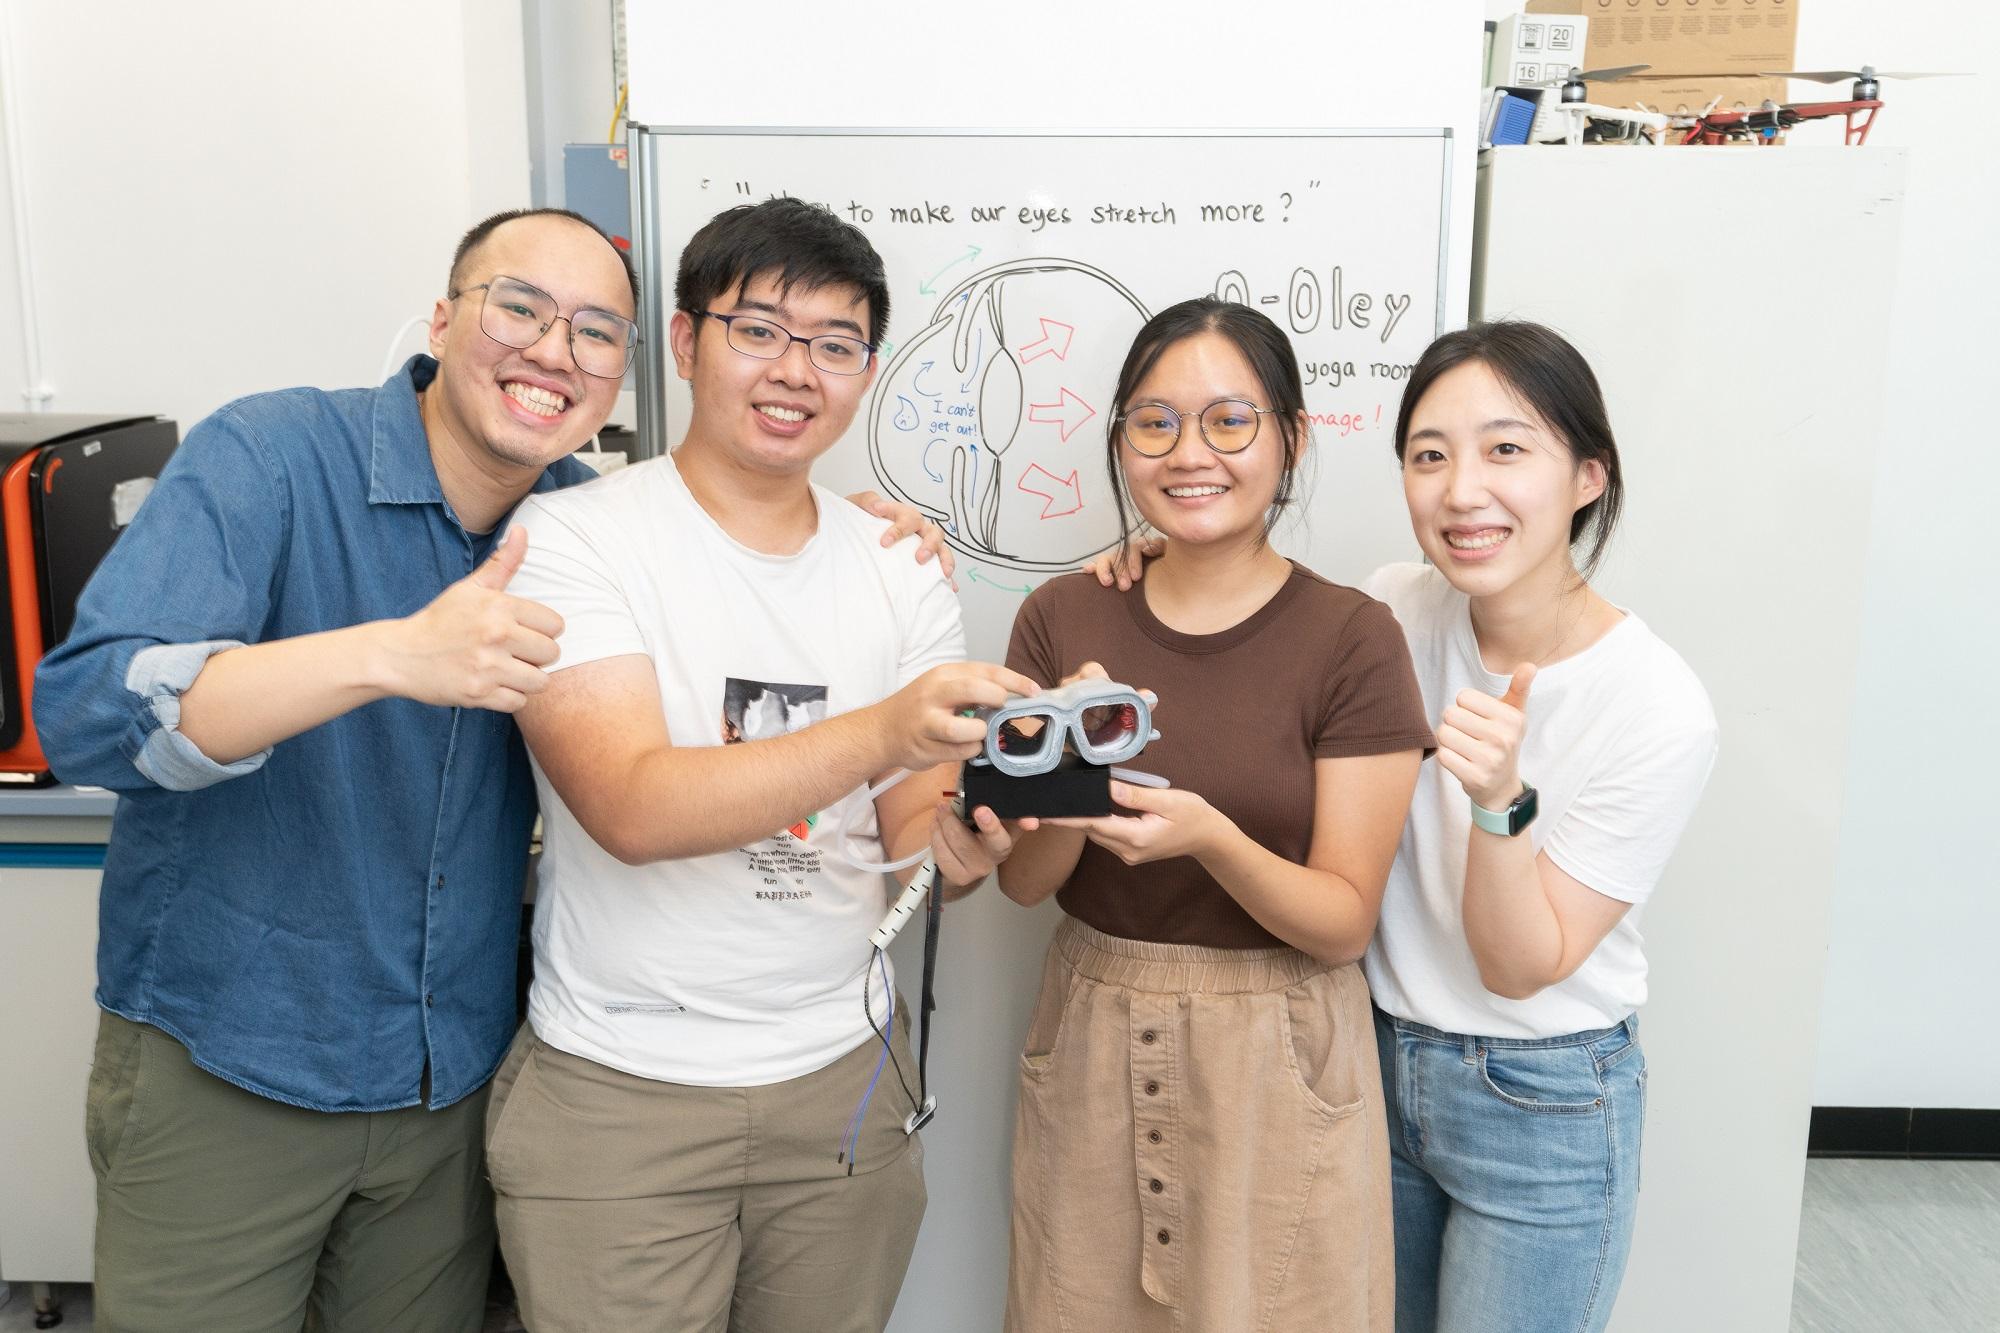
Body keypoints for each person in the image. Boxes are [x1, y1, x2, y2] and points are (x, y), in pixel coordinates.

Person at [34, 205, 950, 1332]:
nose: (553, 351)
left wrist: (850, 536)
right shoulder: (272, 456)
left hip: (445, 1082)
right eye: (519, 306)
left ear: (626, 366)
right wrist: (386, 653)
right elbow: (85, 714)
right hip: (236, 1054)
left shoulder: (575, 521)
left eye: (592, 332)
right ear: (442, 316)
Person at [1089, 320, 1719, 1333]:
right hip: (1367, 1059)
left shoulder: (1655, 706)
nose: (1461, 490)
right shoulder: (1388, 611)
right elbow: (1234, 589)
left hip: (1542, 1097)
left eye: (1505, 450)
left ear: (1587, 475)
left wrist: (1498, 805)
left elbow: (1519, 964)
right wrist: (1155, 553)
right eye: (1428, 455)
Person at [483, 197, 1031, 1333]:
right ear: (685, 343)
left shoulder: (899, 568)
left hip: (843, 1080)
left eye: (835, 345)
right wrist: (886, 729)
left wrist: (963, 842)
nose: (797, 371)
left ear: (865, 371)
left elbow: (911, 838)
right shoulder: (573, 543)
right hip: (620, 1086)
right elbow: (629, 804)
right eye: (761, 331)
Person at [996, 297, 1433, 1332]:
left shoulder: (1351, 637)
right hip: (1095, 1031)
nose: (1188, 452)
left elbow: (1340, 922)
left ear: (1289, 437)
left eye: (1228, 421)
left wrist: (1210, 839)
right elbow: (1022, 882)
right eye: (1153, 423)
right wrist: (1066, 775)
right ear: (1120, 444)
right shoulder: (1064, 616)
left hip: (1278, 1047)